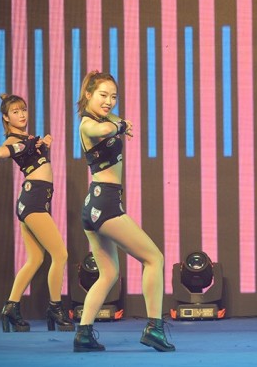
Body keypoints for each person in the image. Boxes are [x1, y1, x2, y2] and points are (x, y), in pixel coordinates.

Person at [73, 71, 174, 352]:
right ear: (88, 95)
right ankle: (154, 327)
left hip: (96, 204)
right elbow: (103, 130)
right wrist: (120, 125)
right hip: (104, 204)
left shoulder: (107, 119)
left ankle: (83, 334)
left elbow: (115, 123)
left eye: (114, 96)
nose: (109, 101)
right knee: (154, 258)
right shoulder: (88, 124)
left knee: (108, 274)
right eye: (103, 95)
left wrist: (123, 123)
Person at [0, 94, 74, 333]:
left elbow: (37, 163)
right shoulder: (15, 139)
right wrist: (28, 145)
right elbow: (1, 152)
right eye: (15, 112)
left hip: (34, 200)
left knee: (35, 259)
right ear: (6, 118)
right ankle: (55, 308)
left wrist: (42, 146)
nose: (22, 115)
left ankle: (11, 307)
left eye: (24, 110)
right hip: (33, 201)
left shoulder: (28, 138)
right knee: (60, 255)